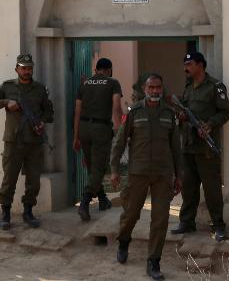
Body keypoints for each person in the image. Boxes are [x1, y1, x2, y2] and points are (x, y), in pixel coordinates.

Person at [110, 74, 182, 281]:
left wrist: (179, 176)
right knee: (131, 214)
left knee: (160, 219)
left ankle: (154, 261)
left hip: (162, 174)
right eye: (151, 87)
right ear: (144, 89)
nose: (155, 91)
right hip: (137, 173)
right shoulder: (134, 112)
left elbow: (176, 147)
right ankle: (124, 240)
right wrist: (114, 169)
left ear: (162, 89)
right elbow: (119, 142)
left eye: (158, 87)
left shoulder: (169, 113)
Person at [0, 54, 54, 230]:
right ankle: (6, 213)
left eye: (29, 68)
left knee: (33, 180)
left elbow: (49, 113)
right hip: (13, 142)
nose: (27, 71)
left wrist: (41, 121)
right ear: (17, 69)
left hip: (34, 142)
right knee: (9, 178)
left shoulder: (40, 89)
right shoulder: (7, 87)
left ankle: (28, 211)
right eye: (23, 68)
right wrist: (6, 102)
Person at [170, 52, 229, 241]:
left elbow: (225, 113)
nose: (185, 68)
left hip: (206, 149)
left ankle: (218, 226)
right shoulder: (188, 87)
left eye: (189, 64)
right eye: (185, 64)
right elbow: (184, 110)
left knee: (212, 189)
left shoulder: (215, 86)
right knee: (189, 188)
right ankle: (187, 222)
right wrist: (180, 116)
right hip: (188, 145)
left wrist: (209, 124)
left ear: (200, 65)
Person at [73, 58, 123, 221]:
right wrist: (119, 128)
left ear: (96, 70)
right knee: (99, 168)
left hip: (84, 128)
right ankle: (85, 202)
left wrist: (76, 136)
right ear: (109, 70)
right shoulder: (113, 83)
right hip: (101, 129)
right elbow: (116, 107)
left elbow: (77, 110)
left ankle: (102, 199)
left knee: (92, 166)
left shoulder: (85, 84)